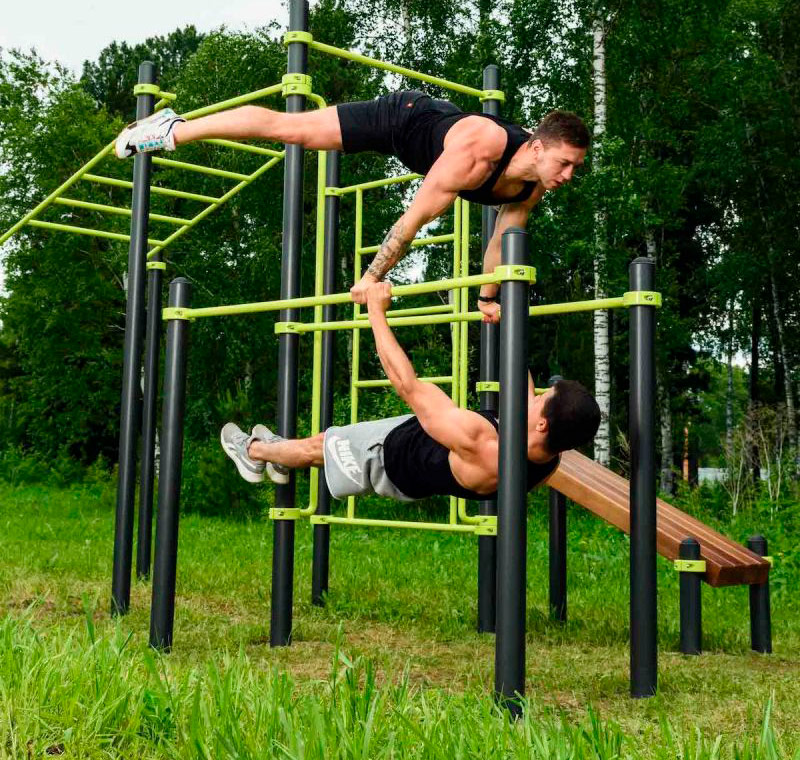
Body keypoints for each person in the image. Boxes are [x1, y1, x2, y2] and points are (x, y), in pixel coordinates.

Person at [115, 92, 589, 322]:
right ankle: (172, 129)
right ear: (537, 148)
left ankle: (171, 128)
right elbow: (414, 218)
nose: (568, 177)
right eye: (565, 164)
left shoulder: (531, 188)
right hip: (398, 119)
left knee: (293, 131)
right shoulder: (480, 148)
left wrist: (488, 299)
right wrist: (372, 276)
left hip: (426, 136)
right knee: (291, 130)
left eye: (574, 169)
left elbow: (502, 243)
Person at [220, 282, 600, 501]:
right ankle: (279, 458)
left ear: (544, 426)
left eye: (540, 401)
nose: (533, 397)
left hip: (390, 456)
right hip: (421, 455)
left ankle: (254, 453)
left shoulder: (483, 441)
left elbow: (406, 384)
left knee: (320, 446)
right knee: (320, 444)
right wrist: (501, 323)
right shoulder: (547, 457)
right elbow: (522, 388)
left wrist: (375, 310)